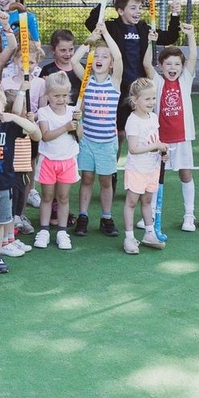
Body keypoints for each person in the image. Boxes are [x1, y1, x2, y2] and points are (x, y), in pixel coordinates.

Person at [0, 83, 40, 270]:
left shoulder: (10, 126)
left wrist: (14, 117)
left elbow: (36, 134)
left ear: (3, 106)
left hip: (4, 186)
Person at [71, 23, 124, 238]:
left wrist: (106, 33)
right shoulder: (86, 80)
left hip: (107, 143)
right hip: (87, 141)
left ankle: (106, 217)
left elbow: (119, 56)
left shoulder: (115, 82)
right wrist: (89, 41)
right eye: (97, 55)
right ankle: (83, 216)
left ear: (111, 65)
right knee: (87, 179)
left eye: (104, 56)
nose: (99, 59)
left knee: (105, 181)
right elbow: (74, 61)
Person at [147, 22, 199, 232]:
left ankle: (189, 215)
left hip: (182, 138)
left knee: (185, 175)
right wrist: (149, 42)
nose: (172, 68)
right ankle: (150, 215)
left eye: (177, 64)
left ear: (182, 67)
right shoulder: (158, 83)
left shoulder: (185, 80)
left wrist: (191, 35)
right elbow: (146, 64)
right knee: (155, 177)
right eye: (168, 64)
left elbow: (193, 56)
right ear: (161, 65)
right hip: (161, 141)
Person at [121, 78, 169, 254]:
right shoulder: (133, 121)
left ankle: (149, 233)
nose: (151, 102)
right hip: (137, 170)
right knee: (131, 202)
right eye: (147, 99)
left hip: (152, 168)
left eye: (153, 98)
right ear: (135, 100)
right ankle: (129, 237)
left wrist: (162, 152)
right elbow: (133, 149)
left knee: (147, 201)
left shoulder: (153, 118)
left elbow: (155, 140)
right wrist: (155, 146)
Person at [34, 72, 79, 250]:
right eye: (56, 95)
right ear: (48, 94)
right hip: (48, 160)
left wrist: (77, 123)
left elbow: (79, 135)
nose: (61, 99)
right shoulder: (43, 112)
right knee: (47, 197)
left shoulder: (73, 111)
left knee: (63, 197)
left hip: (68, 161)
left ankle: (62, 231)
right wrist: (66, 126)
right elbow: (45, 136)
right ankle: (44, 230)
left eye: (64, 95)